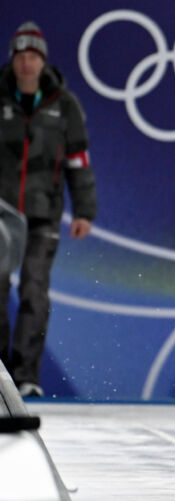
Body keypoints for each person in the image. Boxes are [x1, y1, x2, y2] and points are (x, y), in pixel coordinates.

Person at [0, 22, 96, 397]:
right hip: (2, 216)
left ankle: (25, 377)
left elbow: (78, 162)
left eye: (33, 57)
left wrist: (84, 210)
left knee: (34, 291)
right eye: (22, 56)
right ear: (13, 60)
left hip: (43, 215)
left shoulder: (65, 104)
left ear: (42, 62)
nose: (27, 64)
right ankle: (1, 375)